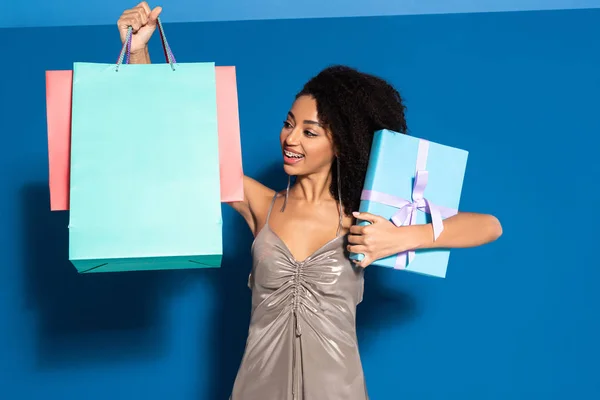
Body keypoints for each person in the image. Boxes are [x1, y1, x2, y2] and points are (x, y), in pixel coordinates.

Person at [117, 3, 503, 399]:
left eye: (310, 131)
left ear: (340, 143)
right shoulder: (261, 204)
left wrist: (404, 238)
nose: (291, 139)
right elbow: (182, 150)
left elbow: (490, 226)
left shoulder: (367, 219)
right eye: (288, 124)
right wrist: (138, 52)